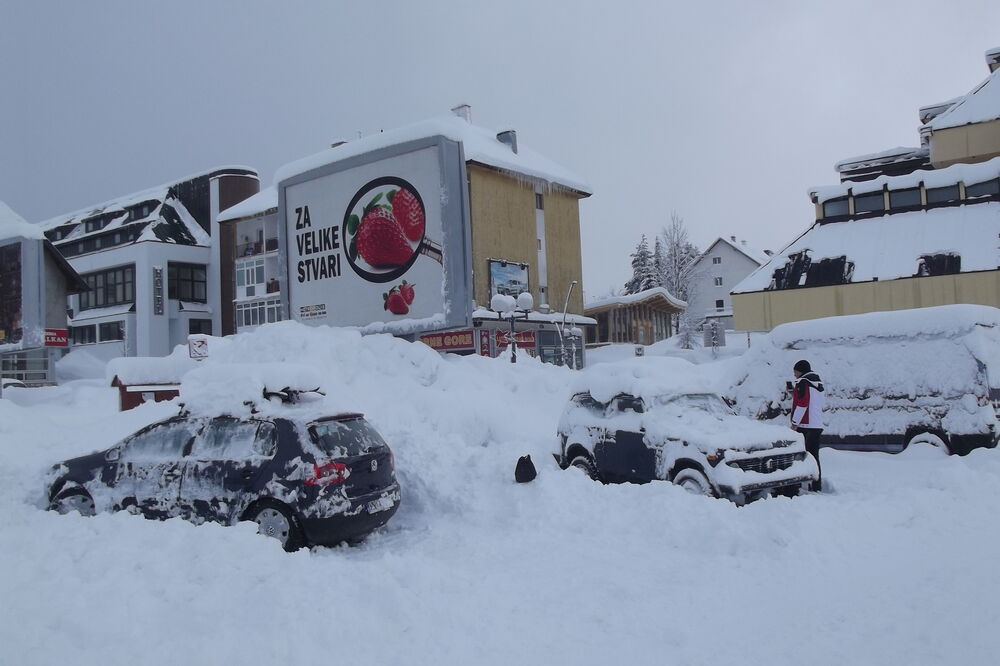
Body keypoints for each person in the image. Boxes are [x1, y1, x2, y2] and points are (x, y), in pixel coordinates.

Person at [790, 359, 825, 491]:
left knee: (801, 455)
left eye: (795, 371)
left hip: (805, 425)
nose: (794, 374)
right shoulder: (817, 383)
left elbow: (802, 404)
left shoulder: (803, 383)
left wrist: (795, 423)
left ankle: (800, 484)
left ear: (800, 371)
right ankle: (816, 485)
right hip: (817, 424)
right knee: (814, 456)